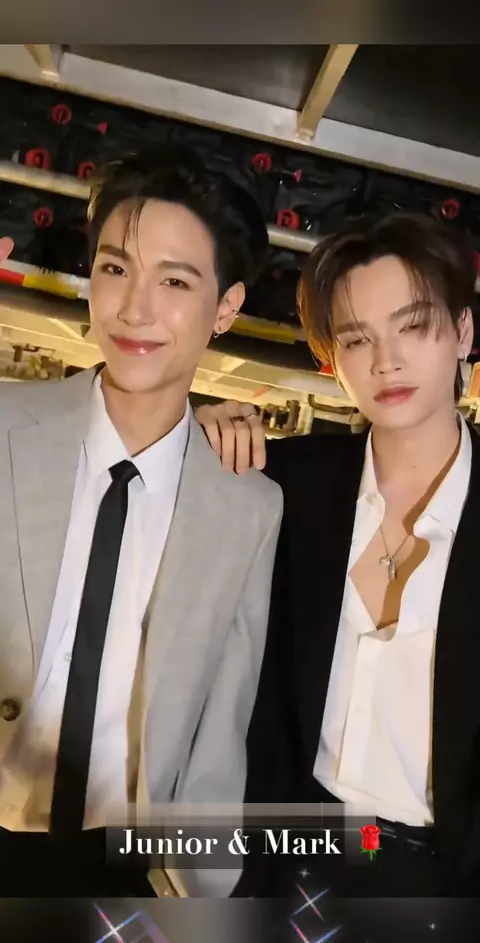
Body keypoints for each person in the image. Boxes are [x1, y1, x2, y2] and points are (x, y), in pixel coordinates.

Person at [0, 145, 283, 898]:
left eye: (176, 281)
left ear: (226, 308)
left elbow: (221, 725)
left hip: (125, 864)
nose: (134, 309)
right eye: (115, 268)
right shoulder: (5, 427)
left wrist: (200, 893)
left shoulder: (248, 507)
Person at [195, 212, 480, 896]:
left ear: (465, 331)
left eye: (413, 326)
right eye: (356, 338)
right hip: (288, 859)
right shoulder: (288, 485)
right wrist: (199, 432)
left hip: (443, 881)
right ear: (331, 357)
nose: (386, 361)